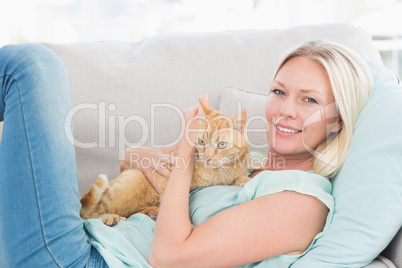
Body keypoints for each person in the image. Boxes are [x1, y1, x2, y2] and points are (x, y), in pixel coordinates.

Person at [0, 40, 372, 267]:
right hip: (90, 233)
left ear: (337, 120)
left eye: (308, 99)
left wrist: (185, 150)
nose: (285, 110)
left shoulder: (303, 203)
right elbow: (131, 161)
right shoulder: (254, 163)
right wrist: (156, 158)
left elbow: (169, 257)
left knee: (31, 67)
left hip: (84, 260)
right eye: (278, 92)